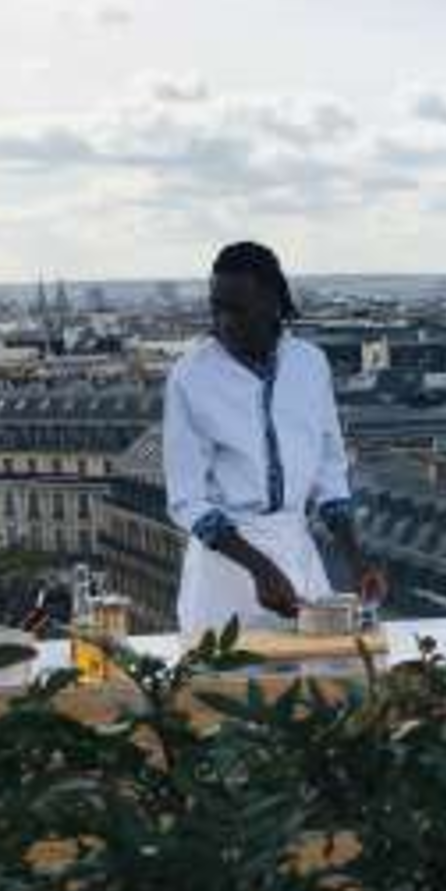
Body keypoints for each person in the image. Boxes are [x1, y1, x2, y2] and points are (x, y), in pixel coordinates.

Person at [162, 241, 386, 634]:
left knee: (314, 668)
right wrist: (259, 568)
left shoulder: (310, 364)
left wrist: (356, 561)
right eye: (217, 308)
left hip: (297, 553)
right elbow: (186, 498)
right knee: (225, 670)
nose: (224, 322)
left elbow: (329, 471)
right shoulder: (191, 374)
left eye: (237, 309)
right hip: (223, 570)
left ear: (272, 303)